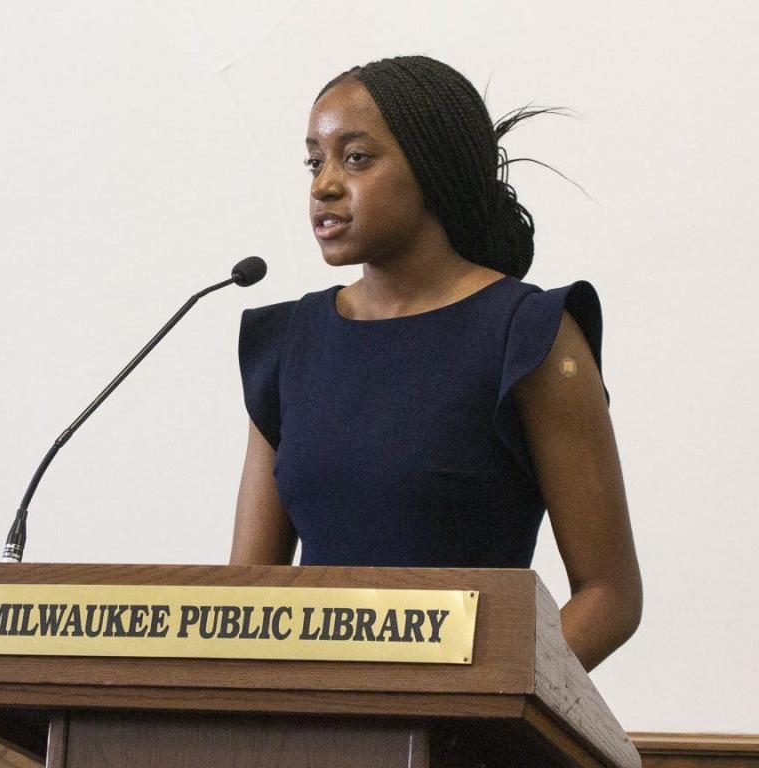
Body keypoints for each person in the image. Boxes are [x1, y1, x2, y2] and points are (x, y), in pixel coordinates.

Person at [229, 55, 641, 672]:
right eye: (315, 161)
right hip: (311, 731)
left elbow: (610, 597)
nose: (324, 185)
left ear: (432, 169)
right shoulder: (289, 341)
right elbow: (245, 603)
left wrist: (481, 701)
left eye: (356, 158)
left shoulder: (527, 334)